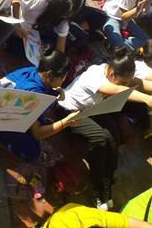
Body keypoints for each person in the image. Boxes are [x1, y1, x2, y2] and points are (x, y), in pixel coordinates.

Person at [55, 47, 152, 209]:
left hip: (93, 109)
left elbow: (137, 83)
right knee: (100, 138)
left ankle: (107, 182)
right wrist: (147, 100)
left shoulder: (114, 71)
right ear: (113, 75)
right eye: (123, 82)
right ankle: (97, 188)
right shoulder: (96, 77)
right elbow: (120, 90)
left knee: (114, 137)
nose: (125, 85)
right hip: (70, 112)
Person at [0, 51, 80, 162]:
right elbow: (37, 134)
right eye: (63, 77)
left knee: (45, 122)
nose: (63, 80)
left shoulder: (36, 71)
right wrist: (66, 122)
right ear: (49, 75)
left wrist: (58, 91)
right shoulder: (33, 95)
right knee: (33, 151)